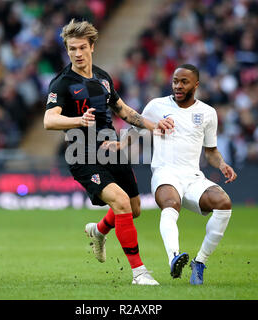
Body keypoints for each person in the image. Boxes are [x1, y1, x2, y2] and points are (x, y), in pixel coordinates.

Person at [43, 19, 174, 285]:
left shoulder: (103, 78)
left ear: (92, 47)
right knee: (122, 202)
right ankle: (139, 273)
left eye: (81, 48)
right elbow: (49, 120)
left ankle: (99, 230)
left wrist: (153, 125)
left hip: (112, 151)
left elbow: (124, 111)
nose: (77, 54)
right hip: (83, 156)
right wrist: (79, 120)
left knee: (134, 209)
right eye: (71, 49)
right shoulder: (62, 83)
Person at [140, 64, 237, 285]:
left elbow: (210, 151)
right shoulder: (156, 106)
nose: (178, 86)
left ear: (196, 85)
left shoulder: (207, 113)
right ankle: (174, 257)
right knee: (170, 202)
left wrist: (222, 164)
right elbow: (136, 127)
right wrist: (120, 143)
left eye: (184, 82)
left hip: (193, 177)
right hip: (165, 173)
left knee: (223, 203)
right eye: (175, 81)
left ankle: (199, 262)